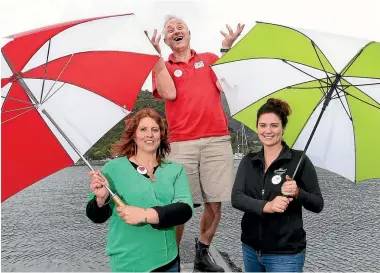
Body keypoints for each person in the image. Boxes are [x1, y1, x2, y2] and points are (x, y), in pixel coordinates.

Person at [145, 15, 245, 272]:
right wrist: (155, 57)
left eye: (179, 27)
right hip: (181, 144)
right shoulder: (163, 66)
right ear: (166, 40)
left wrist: (227, 49)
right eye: (170, 30)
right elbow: (169, 93)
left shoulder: (209, 59)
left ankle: (202, 251)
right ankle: (172, 259)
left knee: (215, 201)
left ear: (189, 32)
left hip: (216, 139)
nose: (175, 31)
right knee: (180, 206)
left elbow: (227, 83)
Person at [86, 108, 194, 272]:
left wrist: (144, 214)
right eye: (143, 129)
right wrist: (101, 200)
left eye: (155, 130)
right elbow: (96, 217)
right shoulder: (113, 169)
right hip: (127, 264)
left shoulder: (176, 170)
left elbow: (185, 210)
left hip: (168, 262)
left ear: (161, 135)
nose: (149, 134)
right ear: (134, 136)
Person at [231, 98, 324, 272]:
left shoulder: (299, 160)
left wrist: (298, 192)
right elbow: (236, 198)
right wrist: (268, 206)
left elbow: (318, 204)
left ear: (283, 128)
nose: (268, 131)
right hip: (250, 249)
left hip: (286, 255)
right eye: (263, 125)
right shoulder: (248, 161)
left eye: (274, 125)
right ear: (257, 127)